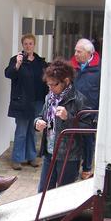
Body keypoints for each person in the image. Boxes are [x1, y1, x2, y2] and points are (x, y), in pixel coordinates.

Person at [34, 59, 91, 193]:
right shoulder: (49, 97)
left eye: (54, 85)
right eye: (48, 85)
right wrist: (36, 122)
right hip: (49, 153)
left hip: (69, 157)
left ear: (66, 81)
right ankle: (46, 215)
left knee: (63, 195)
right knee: (43, 192)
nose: (51, 88)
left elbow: (88, 129)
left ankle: (61, 216)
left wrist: (68, 118)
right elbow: (41, 116)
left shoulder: (79, 99)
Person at [4, 34, 48, 171]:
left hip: (37, 101)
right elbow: (8, 74)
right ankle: (17, 159)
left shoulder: (40, 61)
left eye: (30, 44)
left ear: (34, 45)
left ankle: (31, 157)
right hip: (22, 102)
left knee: (33, 130)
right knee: (21, 131)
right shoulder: (16, 60)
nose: (28, 46)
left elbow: (46, 79)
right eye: (26, 44)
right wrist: (17, 64)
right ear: (22, 45)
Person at [71, 38, 101, 180]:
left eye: (79, 51)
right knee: (73, 141)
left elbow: (102, 93)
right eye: (75, 50)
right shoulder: (71, 67)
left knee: (88, 142)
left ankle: (87, 168)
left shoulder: (99, 70)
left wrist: (97, 114)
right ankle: (73, 166)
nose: (75, 54)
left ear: (89, 53)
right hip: (72, 111)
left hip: (89, 113)